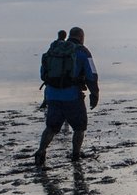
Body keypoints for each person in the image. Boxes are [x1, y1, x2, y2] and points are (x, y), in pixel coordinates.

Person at [35, 26, 99, 165]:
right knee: (79, 127)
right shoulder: (82, 51)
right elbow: (91, 74)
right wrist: (95, 93)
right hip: (72, 96)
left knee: (51, 127)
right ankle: (76, 155)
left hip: (52, 95)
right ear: (81, 37)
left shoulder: (55, 50)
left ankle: (41, 151)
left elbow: (43, 72)